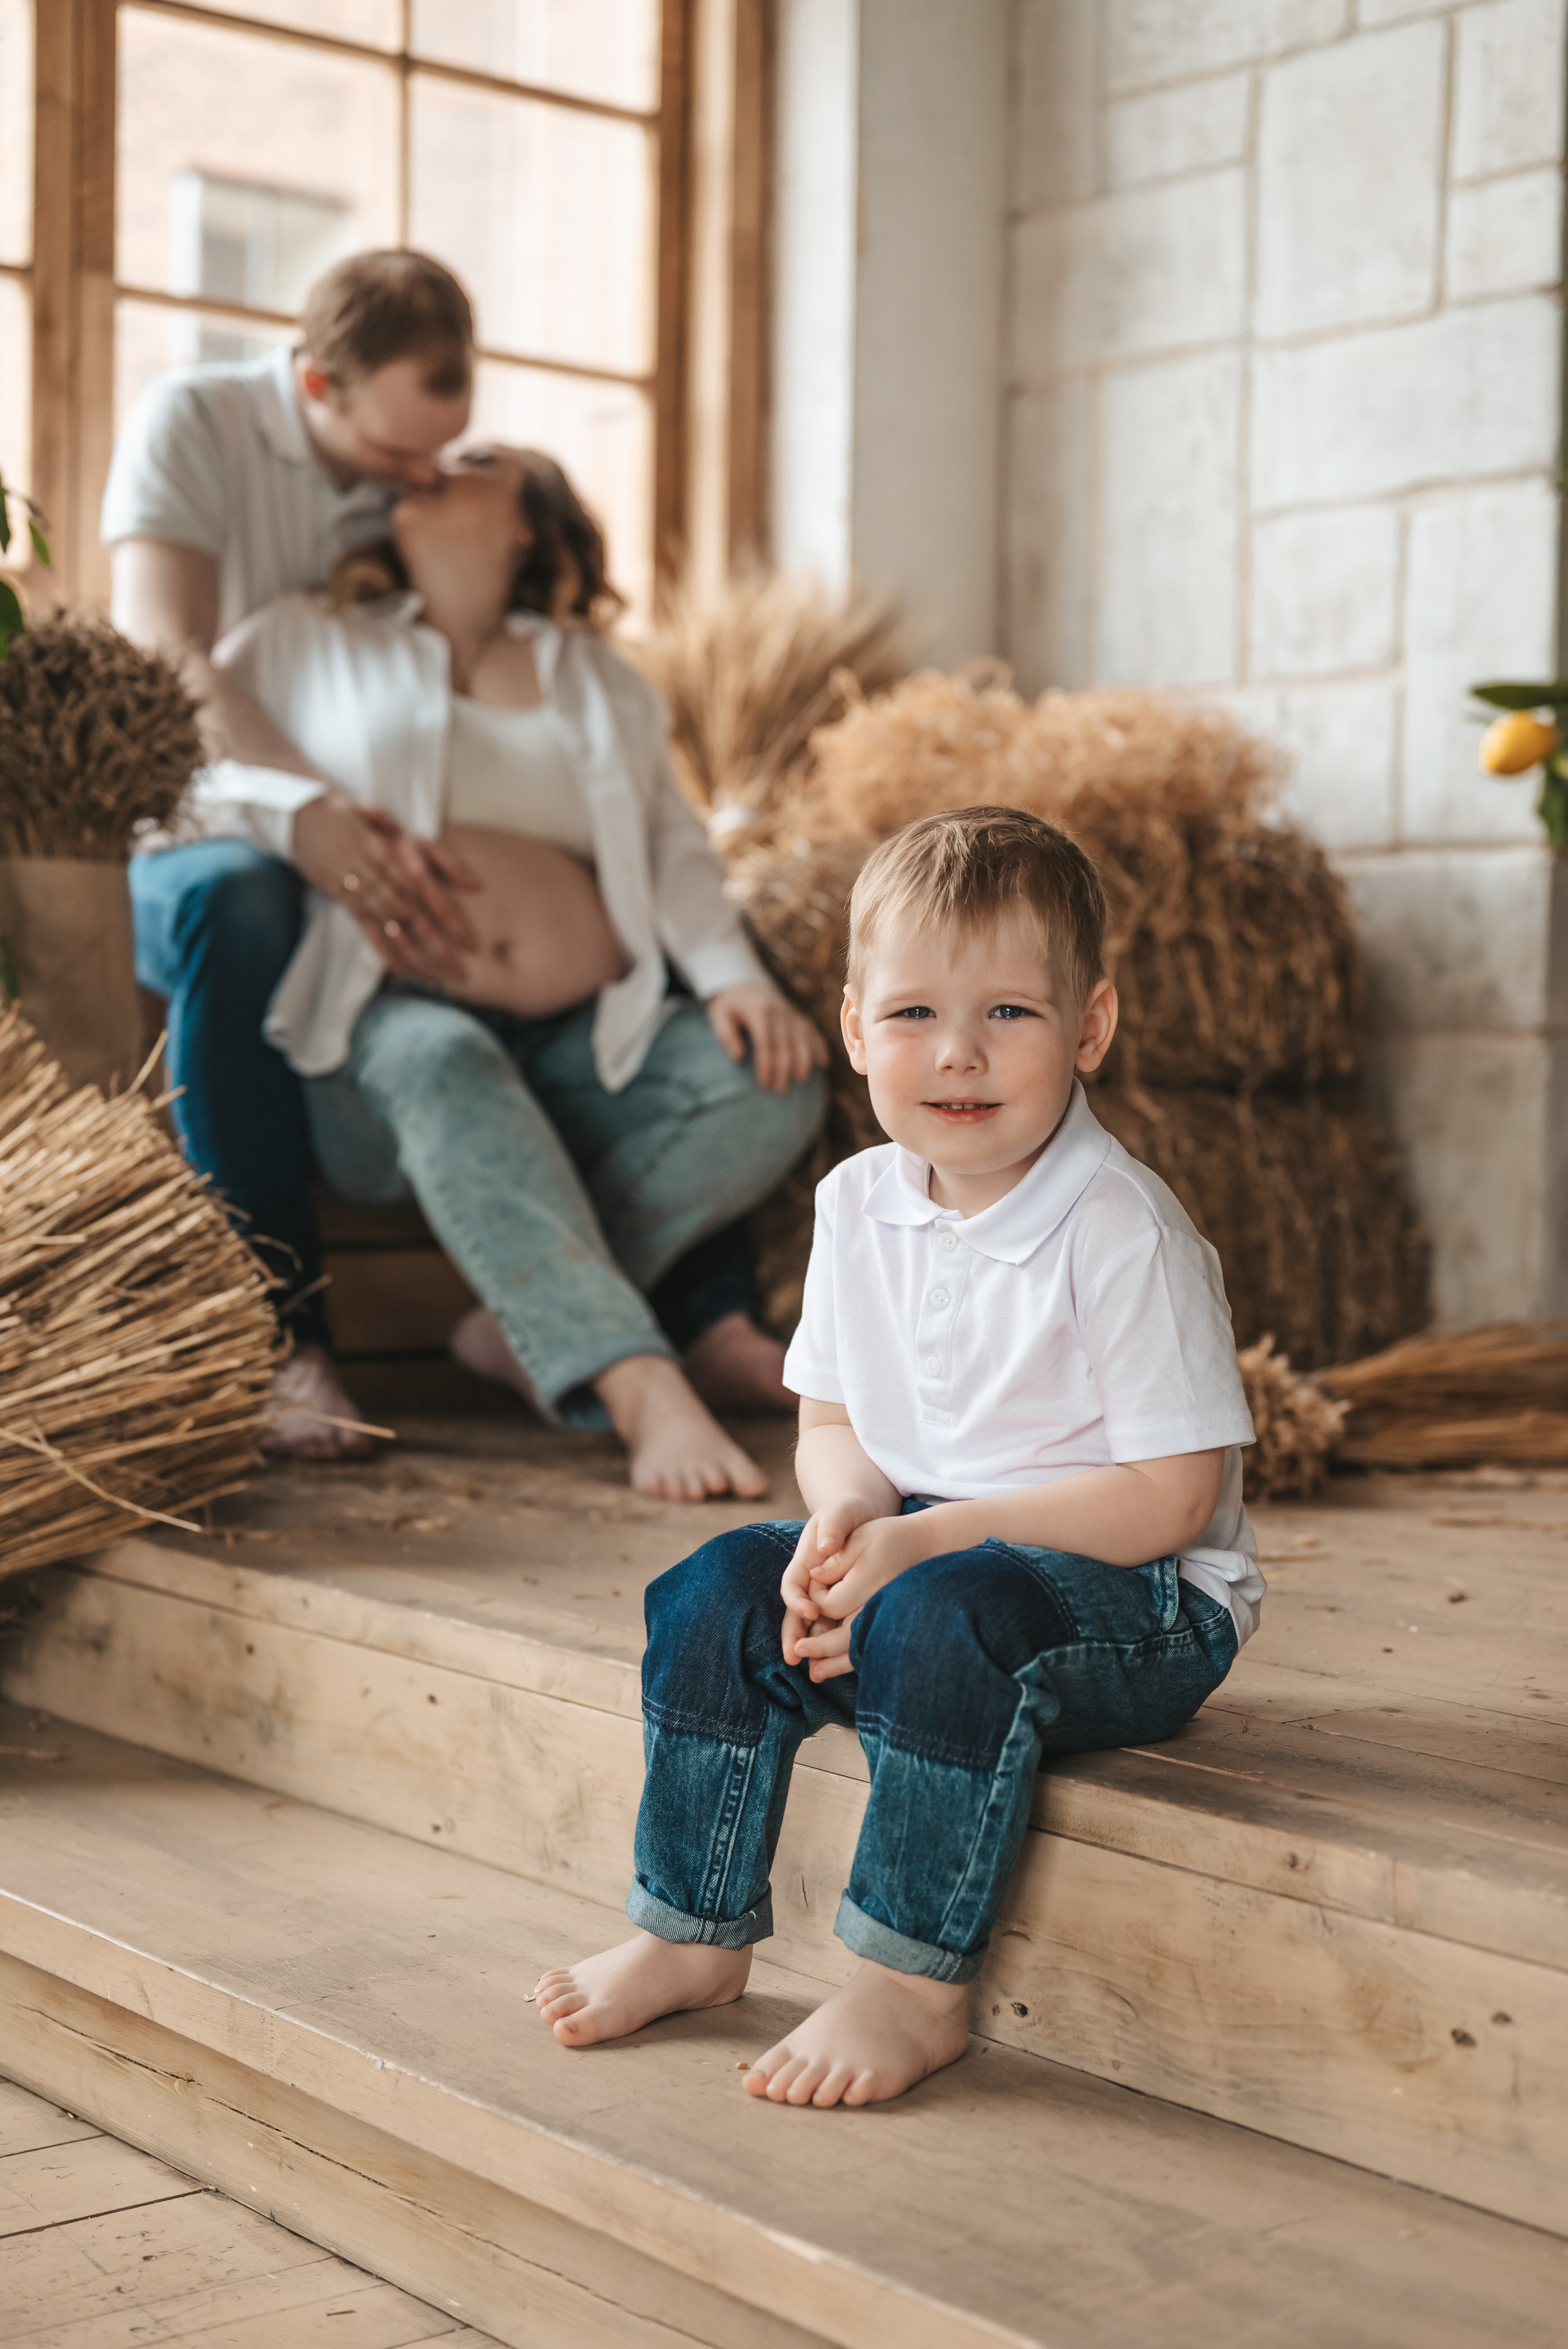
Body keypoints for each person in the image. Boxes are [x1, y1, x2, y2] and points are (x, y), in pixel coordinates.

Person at [533, 806, 1261, 2102]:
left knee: (939, 1615)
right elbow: (832, 1425)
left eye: (1009, 1013)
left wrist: (922, 1540)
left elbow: (1170, 1499)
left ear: (1089, 1027)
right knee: (717, 1587)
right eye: (915, 1013)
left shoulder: (1118, 1229)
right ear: (857, 1029)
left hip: (1138, 1600)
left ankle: (912, 1986)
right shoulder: (855, 1203)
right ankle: (690, 1930)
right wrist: (846, 1519)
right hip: (927, 1548)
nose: (958, 1052)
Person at [173, 445, 827, 1499]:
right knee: (445, 1057)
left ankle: (520, 1321)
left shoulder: (601, 681)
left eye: (476, 460)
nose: (434, 462)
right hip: (381, 1028)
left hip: (581, 1037)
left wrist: (727, 974)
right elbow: (192, 771)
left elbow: (671, 842)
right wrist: (300, 821)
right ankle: (639, 1384)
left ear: (527, 524)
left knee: (767, 1079)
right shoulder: (302, 636)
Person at [108, 249, 484, 1457]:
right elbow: (166, 650)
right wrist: (304, 808)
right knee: (244, 897)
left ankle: (681, 1312)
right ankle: (281, 1331)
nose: (420, 481)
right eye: (395, 455)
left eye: (439, 453)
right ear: (317, 384)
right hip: (193, 827)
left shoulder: (409, 470)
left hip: (364, 822)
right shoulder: (193, 422)